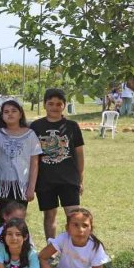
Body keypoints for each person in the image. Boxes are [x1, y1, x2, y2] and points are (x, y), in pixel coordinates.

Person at [30, 89, 85, 241]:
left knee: (74, 215)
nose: (54, 107)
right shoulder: (35, 126)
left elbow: (79, 154)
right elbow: (32, 156)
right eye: (51, 103)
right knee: (49, 215)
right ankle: (51, 248)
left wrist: (80, 179)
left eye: (59, 104)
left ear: (64, 105)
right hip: (45, 180)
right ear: (44, 105)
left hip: (68, 179)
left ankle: (75, 247)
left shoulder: (72, 126)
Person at [0, 100, 42, 215]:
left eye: (14, 111)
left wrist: (31, 187)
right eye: (6, 112)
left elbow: (34, 163)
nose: (10, 114)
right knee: (5, 219)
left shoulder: (30, 135)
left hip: (22, 186)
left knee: (19, 219)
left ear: (20, 114)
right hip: (3, 185)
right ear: (2, 116)